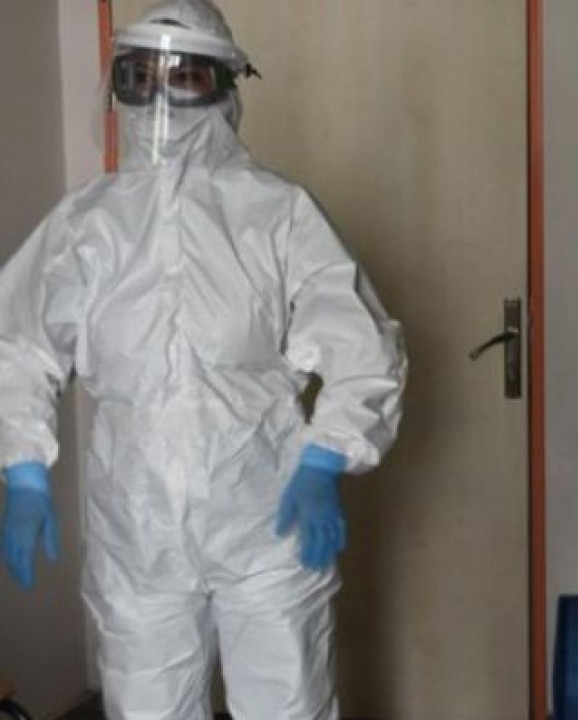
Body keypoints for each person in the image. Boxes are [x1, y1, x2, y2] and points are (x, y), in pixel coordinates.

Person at [0, 1, 407, 717]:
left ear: (224, 87)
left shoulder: (277, 212)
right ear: (117, 86)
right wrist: (24, 471)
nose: (159, 97)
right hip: (136, 523)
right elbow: (18, 346)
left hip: (266, 512)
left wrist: (325, 459)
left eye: (185, 76)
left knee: (287, 704)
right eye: (139, 76)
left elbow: (362, 346)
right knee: (146, 706)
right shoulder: (86, 224)